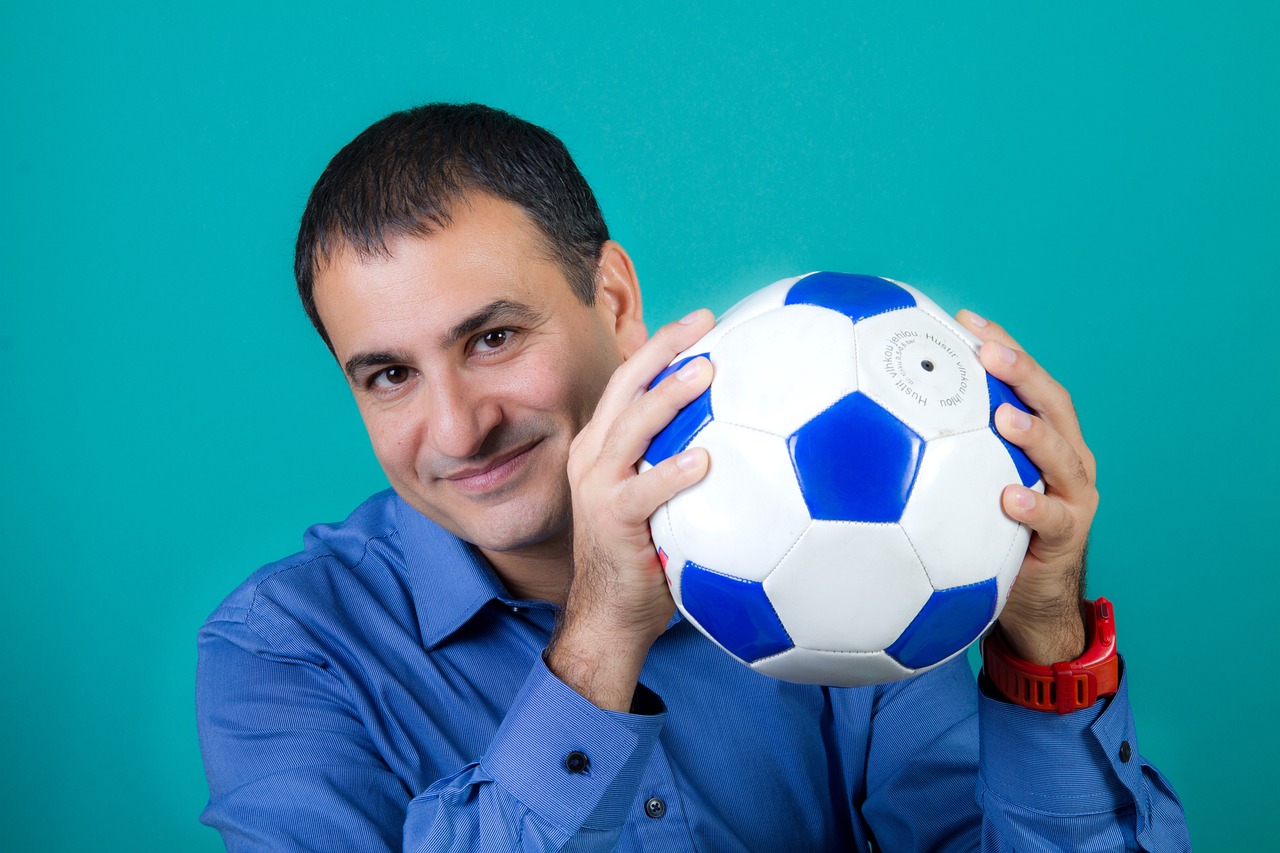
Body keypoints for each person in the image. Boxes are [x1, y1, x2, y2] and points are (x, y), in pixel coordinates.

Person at [196, 102, 1189, 851]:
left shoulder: (859, 554)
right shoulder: (285, 652)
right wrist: (598, 635)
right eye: (389, 375)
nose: (458, 425)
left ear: (615, 300)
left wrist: (1043, 647)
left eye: (492, 337)